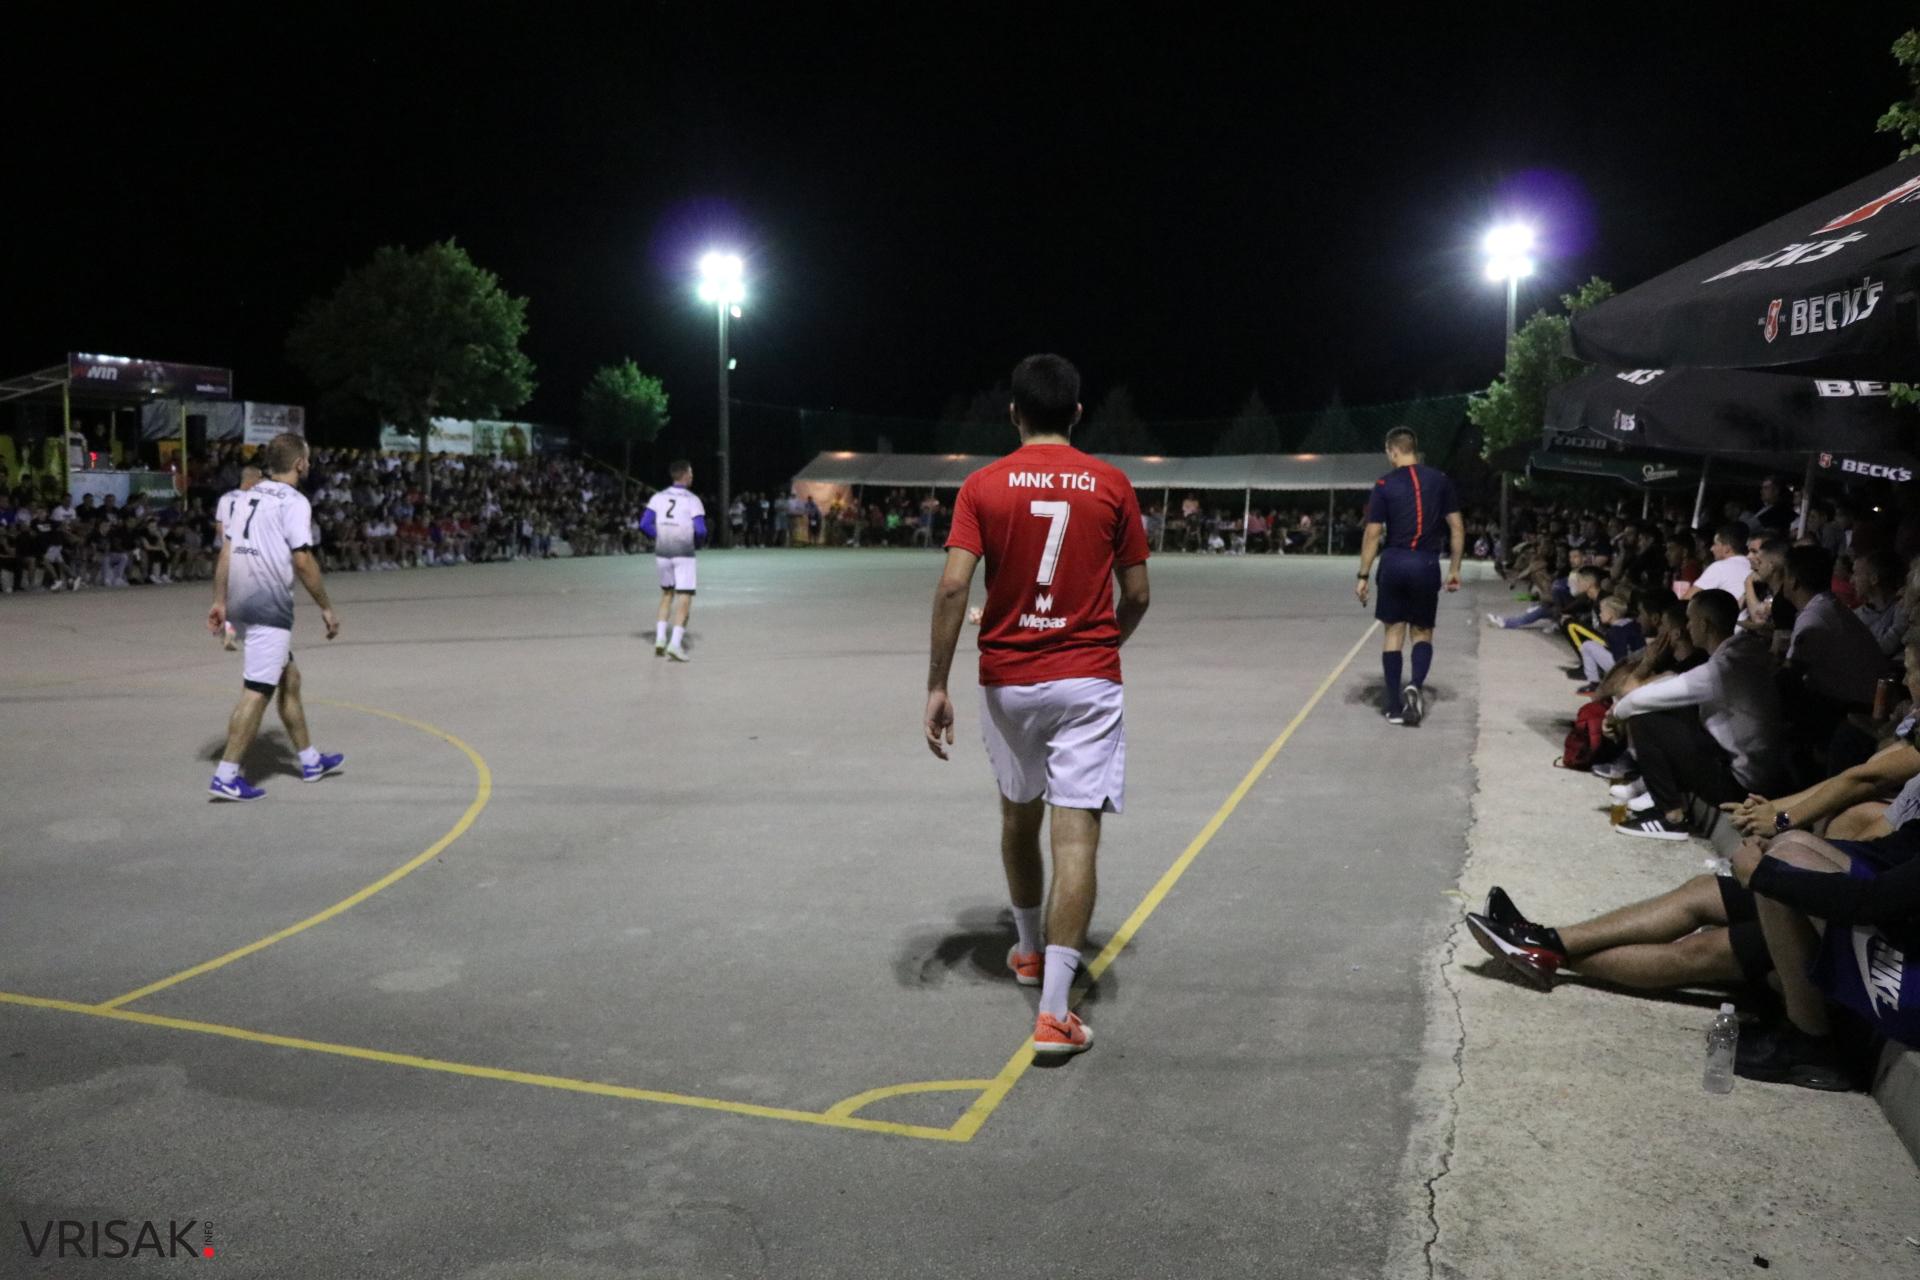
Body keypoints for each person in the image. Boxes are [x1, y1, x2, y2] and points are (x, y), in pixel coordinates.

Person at [924, 353, 1151, 1058]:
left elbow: (955, 588)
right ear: (1077, 414)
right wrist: (1099, 644)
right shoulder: (1111, 483)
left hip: (1009, 681)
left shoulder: (982, 485)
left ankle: (1025, 949)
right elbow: (1138, 593)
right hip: (1087, 677)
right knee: (1075, 835)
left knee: (1018, 816)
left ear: (1014, 412)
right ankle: (1055, 1013)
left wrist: (937, 684)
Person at [205, 433, 343, 801]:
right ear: (299, 463)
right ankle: (227, 775)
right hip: (269, 609)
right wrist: (326, 606)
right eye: (308, 459)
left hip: (241, 603)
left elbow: (226, 552)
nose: (309, 465)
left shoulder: (247, 495)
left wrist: (220, 602)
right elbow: (303, 560)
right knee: (257, 692)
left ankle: (310, 760)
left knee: (290, 677)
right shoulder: (294, 502)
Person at [1606, 588, 1787, 840]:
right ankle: (1653, 790)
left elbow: (1638, 700)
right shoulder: (1743, 653)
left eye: (1691, 620)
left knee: (1644, 716)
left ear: (1705, 624)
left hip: (1741, 786)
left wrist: (1615, 715)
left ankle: (1670, 817)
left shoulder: (1723, 669)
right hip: (1755, 772)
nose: (1688, 626)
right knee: (1669, 709)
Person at [1354, 426, 1464, 726]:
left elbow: (1373, 533)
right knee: (1422, 632)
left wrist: (1363, 574)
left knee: (1393, 632)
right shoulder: (1440, 481)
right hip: (1426, 564)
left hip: (1394, 562)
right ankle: (1415, 682)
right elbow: (1456, 527)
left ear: (1393, 451)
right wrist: (1454, 569)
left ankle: (1392, 704)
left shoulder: (1384, 484)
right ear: (1415, 449)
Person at [640, 460, 706, 661]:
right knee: (684, 597)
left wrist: (659, 536)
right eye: (691, 473)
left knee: (667, 594)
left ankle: (660, 639)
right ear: (685, 475)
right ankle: (675, 644)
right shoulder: (692, 500)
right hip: (683, 553)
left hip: (662, 552)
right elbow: (701, 530)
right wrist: (697, 542)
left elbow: (644, 524)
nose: (693, 476)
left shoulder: (658, 497)